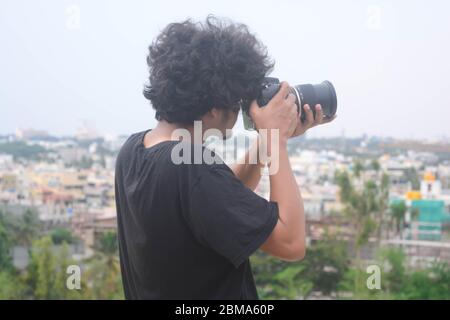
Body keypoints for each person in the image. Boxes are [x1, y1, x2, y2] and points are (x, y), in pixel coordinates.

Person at [114, 15, 336, 300]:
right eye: (237, 99)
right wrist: (276, 141)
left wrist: (267, 142)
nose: (241, 107)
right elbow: (291, 242)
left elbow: (223, 202)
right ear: (214, 108)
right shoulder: (192, 167)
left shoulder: (134, 151)